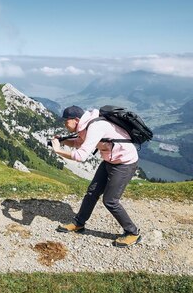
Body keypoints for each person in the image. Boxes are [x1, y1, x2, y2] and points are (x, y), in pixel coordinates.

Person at [50, 105, 141, 247]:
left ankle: (132, 233)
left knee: (110, 200)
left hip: (124, 163)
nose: (64, 124)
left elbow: (81, 156)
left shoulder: (95, 127)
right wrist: (62, 141)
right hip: (109, 160)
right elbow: (78, 143)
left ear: (75, 120)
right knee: (92, 192)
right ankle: (78, 223)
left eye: (66, 121)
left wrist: (58, 150)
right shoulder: (84, 127)